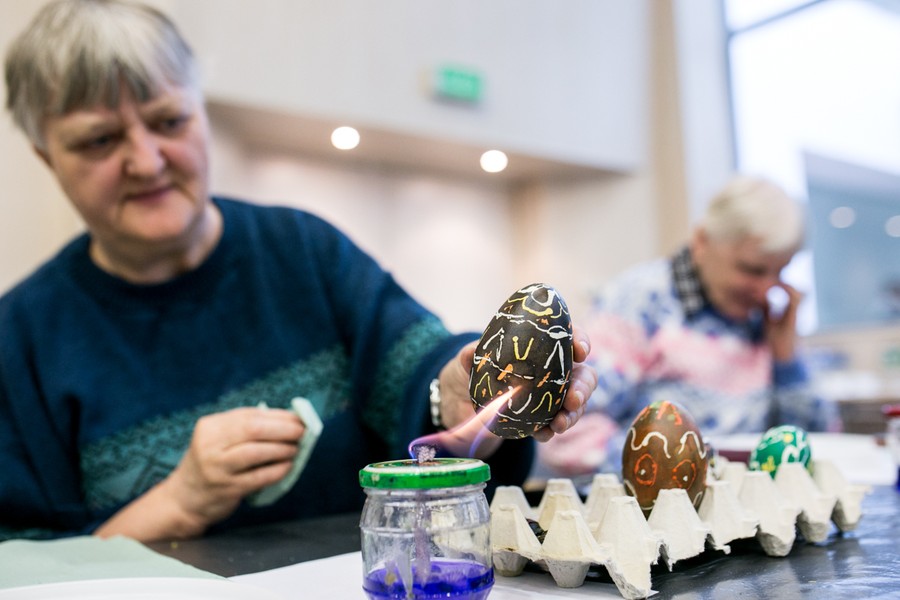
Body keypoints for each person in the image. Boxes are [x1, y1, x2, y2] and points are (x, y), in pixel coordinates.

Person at [0, 0, 595, 542]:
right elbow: (18, 560)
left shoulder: (302, 252)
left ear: (201, 111)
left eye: (168, 121)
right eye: (100, 140)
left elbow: (418, 370)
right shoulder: (22, 338)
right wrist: (179, 502)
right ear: (46, 156)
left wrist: (461, 399)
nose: (147, 160)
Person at [537, 175, 838, 477]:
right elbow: (570, 438)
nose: (766, 289)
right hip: (655, 508)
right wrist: (685, 468)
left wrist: (787, 360)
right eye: (751, 269)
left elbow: (814, 437)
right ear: (702, 241)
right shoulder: (640, 301)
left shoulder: (767, 319)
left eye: (780, 271)